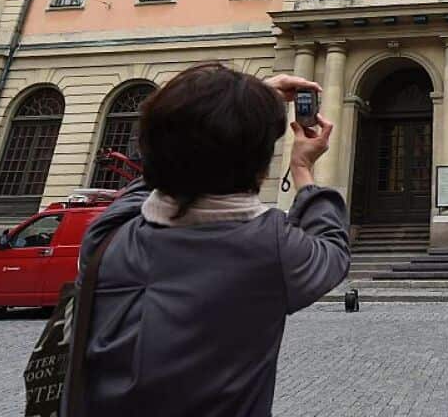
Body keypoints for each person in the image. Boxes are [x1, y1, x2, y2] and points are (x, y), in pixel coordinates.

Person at [67, 63, 350, 417]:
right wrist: (303, 170)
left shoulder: (108, 234)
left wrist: (232, 106)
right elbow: (332, 246)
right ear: (261, 170)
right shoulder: (272, 251)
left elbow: (158, 174)